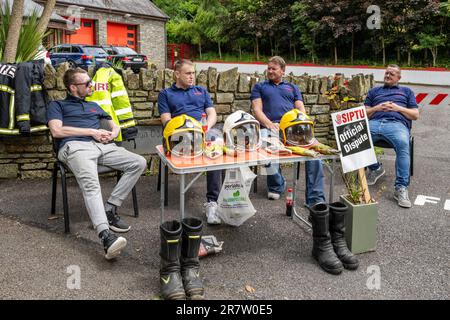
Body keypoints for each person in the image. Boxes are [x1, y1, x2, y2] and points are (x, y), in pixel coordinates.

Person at [47, 68, 147, 260]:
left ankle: (110, 208)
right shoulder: (57, 105)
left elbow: (113, 125)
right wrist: (91, 132)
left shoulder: (94, 105)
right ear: (73, 87)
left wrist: (113, 132)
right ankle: (105, 236)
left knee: (138, 162)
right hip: (75, 147)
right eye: (87, 84)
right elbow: (57, 132)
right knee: (92, 184)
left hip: (102, 147)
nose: (91, 86)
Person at [250, 56, 326, 207]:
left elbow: (300, 109)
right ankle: (277, 185)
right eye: (269, 68)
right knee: (266, 150)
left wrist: (303, 125)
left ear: (283, 71)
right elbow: (257, 109)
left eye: (274, 69)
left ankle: (315, 199)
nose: (270, 71)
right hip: (270, 127)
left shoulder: (292, 87)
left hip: (294, 129)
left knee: (316, 155)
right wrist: (269, 124)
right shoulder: (260, 87)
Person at [158, 59, 222, 225]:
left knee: (216, 149)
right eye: (188, 73)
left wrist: (207, 126)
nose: (192, 76)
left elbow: (212, 113)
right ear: (177, 74)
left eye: (193, 73)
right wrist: (185, 130)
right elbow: (166, 121)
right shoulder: (166, 94)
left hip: (202, 133)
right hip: (179, 136)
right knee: (204, 145)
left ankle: (212, 203)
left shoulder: (201, 91)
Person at [365, 64, 419, 208]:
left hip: (397, 125)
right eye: (387, 73)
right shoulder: (374, 91)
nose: (388, 76)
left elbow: (415, 115)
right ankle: (375, 168)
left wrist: (397, 108)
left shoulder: (406, 91)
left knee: (403, 143)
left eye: (392, 74)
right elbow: (363, 113)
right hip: (375, 122)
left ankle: (401, 188)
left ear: (398, 78)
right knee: (357, 137)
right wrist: (377, 108)